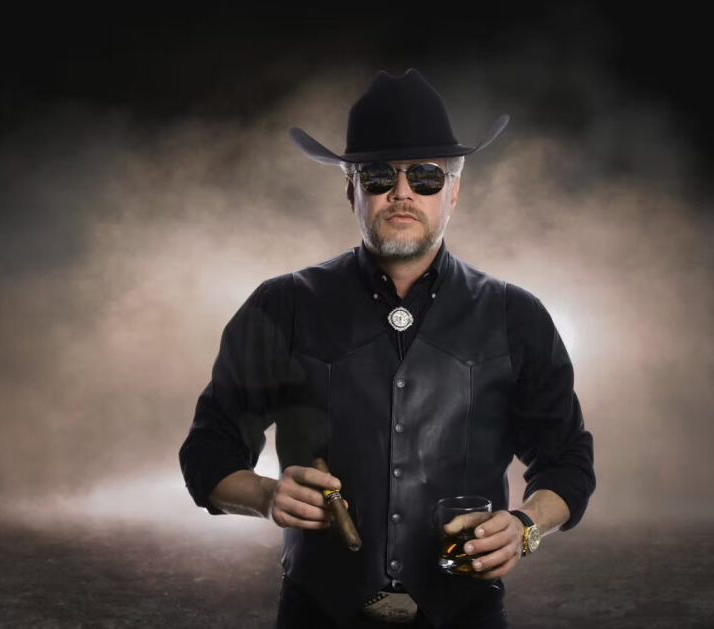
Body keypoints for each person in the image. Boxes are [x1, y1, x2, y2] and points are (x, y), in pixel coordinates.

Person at [178, 68, 595, 629]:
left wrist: (525, 527)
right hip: (317, 614)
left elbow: (567, 461)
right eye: (378, 176)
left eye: (424, 176)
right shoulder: (284, 305)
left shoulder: (515, 315)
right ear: (351, 188)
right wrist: (266, 495)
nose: (402, 192)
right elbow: (208, 453)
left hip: (465, 615)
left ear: (453, 190)